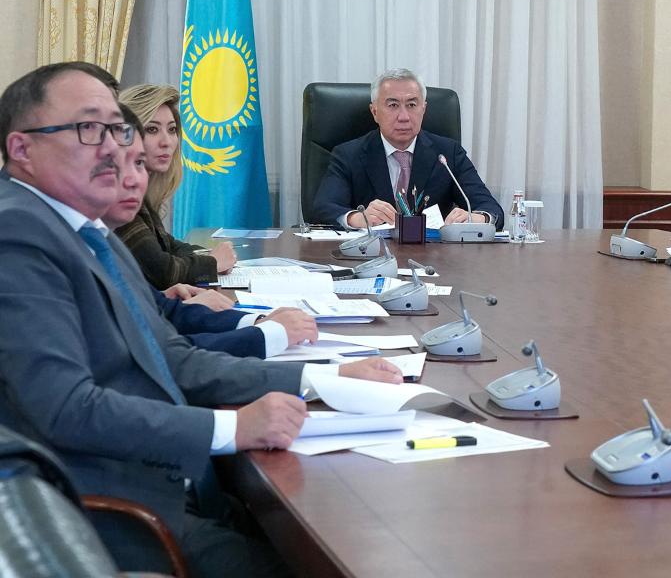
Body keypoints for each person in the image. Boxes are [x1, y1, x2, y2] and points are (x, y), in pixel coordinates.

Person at [0, 62, 403, 577]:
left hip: (172, 483)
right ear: (22, 149)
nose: (112, 149)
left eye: (117, 129)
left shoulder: (86, 232)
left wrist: (321, 379)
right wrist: (234, 426)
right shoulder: (17, 234)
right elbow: (67, 408)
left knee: (354, 527)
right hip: (115, 513)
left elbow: (172, 357)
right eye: (88, 128)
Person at [109, 106, 317, 359]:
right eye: (152, 129)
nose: (167, 142)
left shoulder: (119, 214)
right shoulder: (98, 229)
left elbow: (161, 296)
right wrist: (264, 332)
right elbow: (162, 280)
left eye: (139, 163)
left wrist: (256, 322)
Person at [312, 68, 504, 229]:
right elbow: (323, 209)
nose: (403, 117)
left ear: (424, 109)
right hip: (373, 255)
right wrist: (358, 218)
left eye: (411, 105)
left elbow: (492, 210)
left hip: (435, 257)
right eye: (393, 105)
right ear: (375, 111)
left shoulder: (447, 154)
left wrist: (476, 218)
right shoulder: (349, 155)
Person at [114, 83, 237, 289]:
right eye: (152, 129)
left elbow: (167, 246)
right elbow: (162, 271)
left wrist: (209, 255)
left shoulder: (138, 191)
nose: (167, 142)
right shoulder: (116, 194)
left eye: (172, 130)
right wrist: (213, 262)